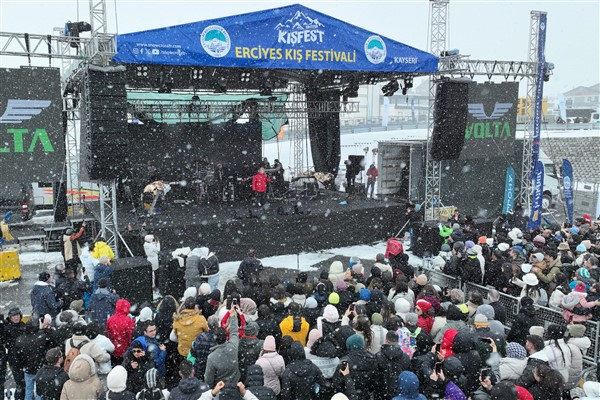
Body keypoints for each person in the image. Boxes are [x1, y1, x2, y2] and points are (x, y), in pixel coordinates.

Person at [204, 304, 241, 387]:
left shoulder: (211, 357)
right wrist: (232, 316)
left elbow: (208, 380)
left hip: (220, 388)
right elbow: (234, 332)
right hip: (235, 385)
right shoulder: (233, 347)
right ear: (226, 337)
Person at [376, 331, 412, 400]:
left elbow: (375, 377)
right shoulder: (405, 357)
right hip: (399, 391)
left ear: (386, 340)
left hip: (381, 392)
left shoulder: (378, 356)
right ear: (398, 341)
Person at [107, 299, 136, 366]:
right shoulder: (129, 321)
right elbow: (130, 336)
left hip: (113, 350)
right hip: (125, 350)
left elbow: (108, 334)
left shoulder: (110, 320)